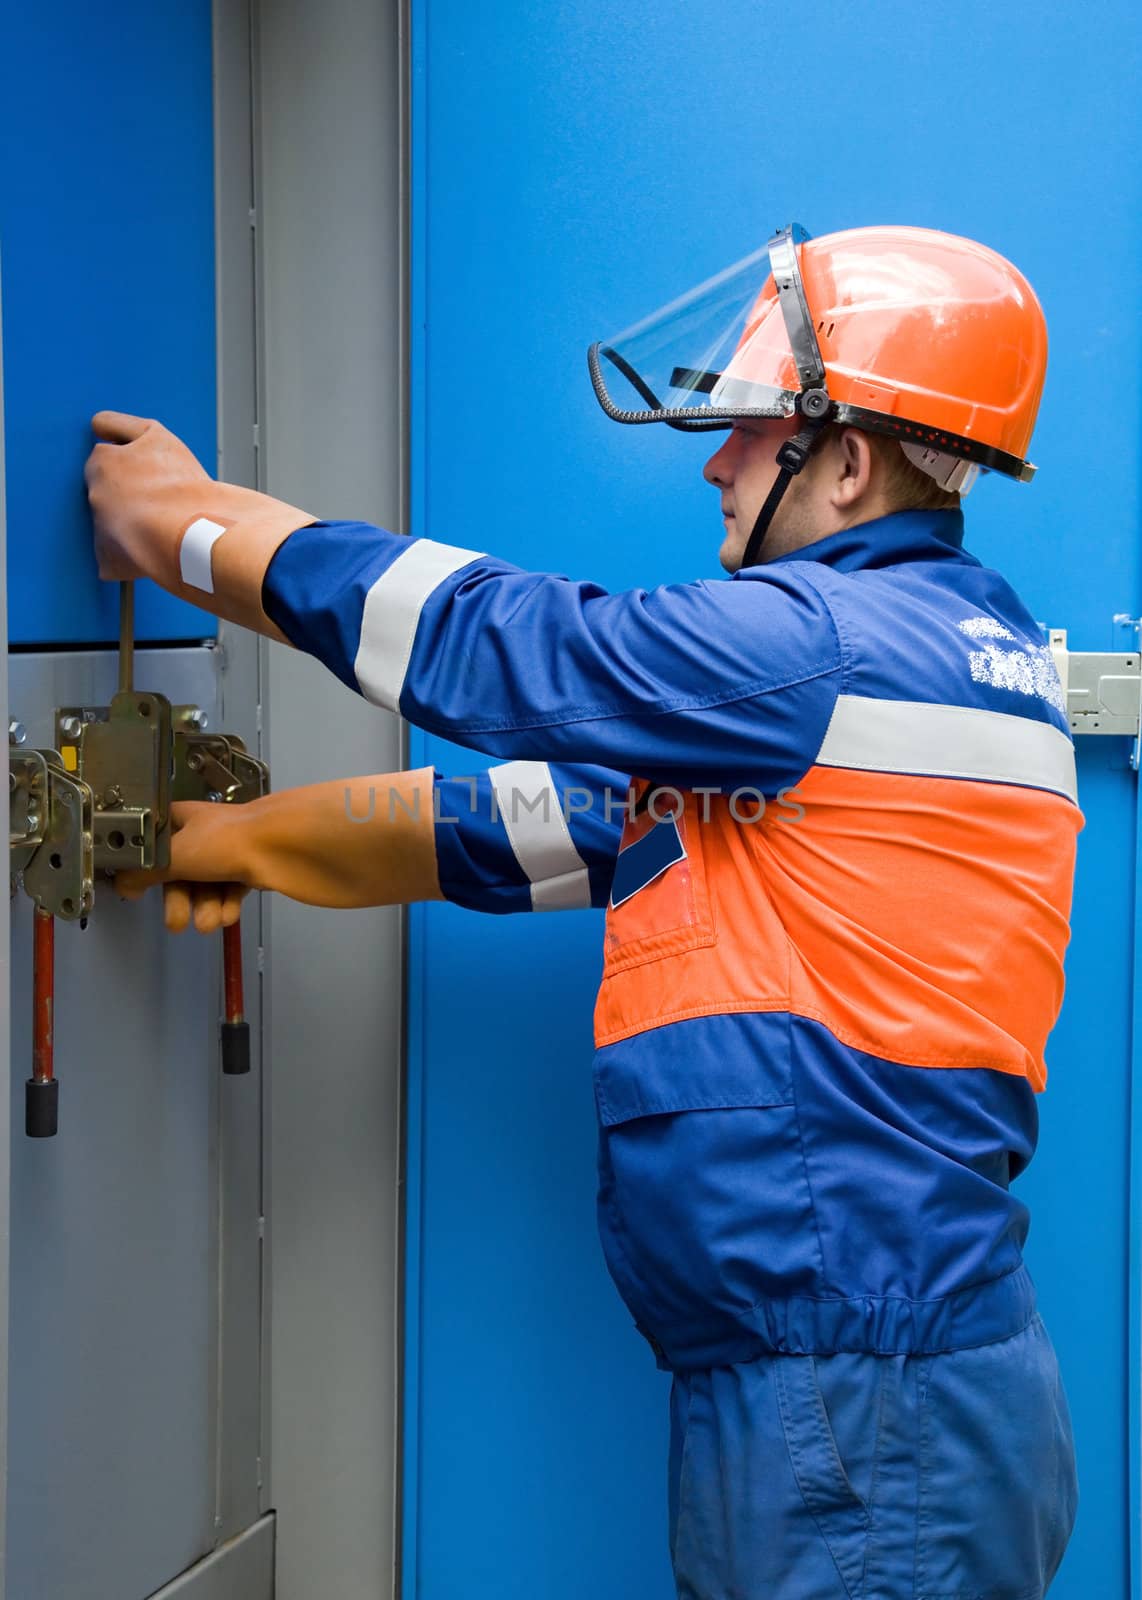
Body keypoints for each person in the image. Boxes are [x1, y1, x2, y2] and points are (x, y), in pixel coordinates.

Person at [89, 223, 1083, 1600]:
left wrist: (190, 530)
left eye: (745, 429)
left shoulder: (822, 648)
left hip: (862, 1400)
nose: (713, 462)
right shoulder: (912, 666)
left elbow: (522, 649)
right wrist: (252, 840)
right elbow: (553, 826)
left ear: (846, 461)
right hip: (865, 1385)